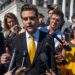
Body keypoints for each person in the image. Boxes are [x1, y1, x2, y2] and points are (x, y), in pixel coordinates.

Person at [1, 4, 52, 75]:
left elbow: (53, 67)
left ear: (37, 19)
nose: (29, 22)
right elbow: (13, 66)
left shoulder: (48, 38)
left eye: (32, 18)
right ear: (22, 21)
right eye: (25, 19)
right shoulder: (15, 40)